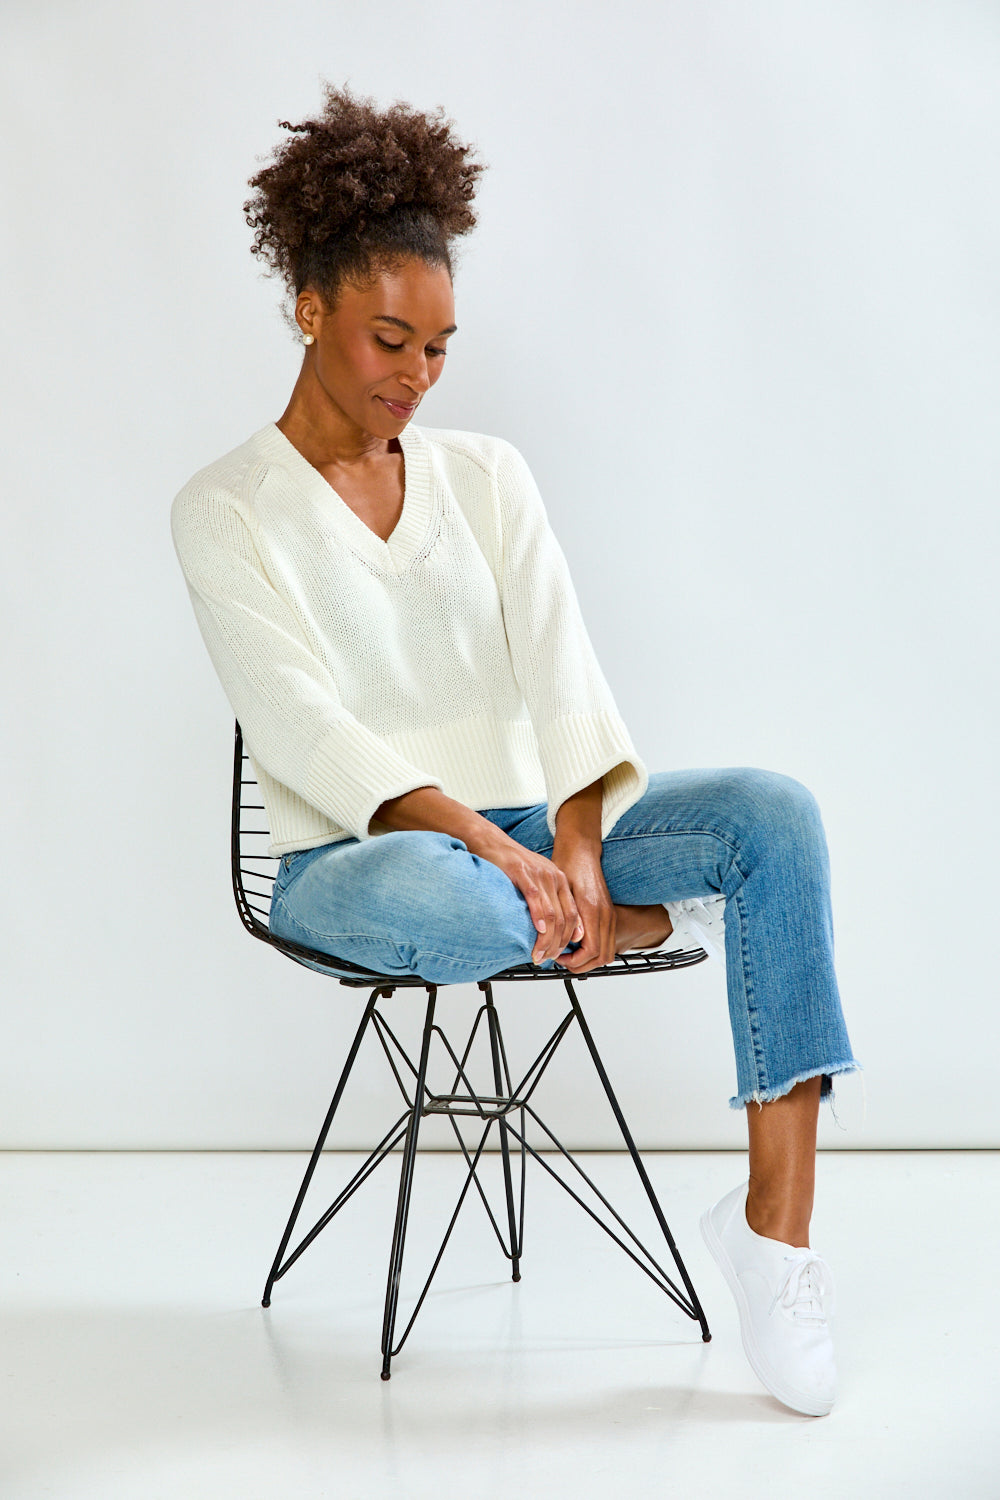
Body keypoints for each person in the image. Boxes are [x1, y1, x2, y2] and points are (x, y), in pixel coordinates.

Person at [171, 83, 859, 1417]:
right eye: (388, 340)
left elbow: (562, 675)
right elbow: (306, 725)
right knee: (465, 900)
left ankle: (776, 1240)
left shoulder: (487, 476)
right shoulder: (224, 509)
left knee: (776, 819)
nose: (417, 378)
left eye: (437, 347)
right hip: (355, 859)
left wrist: (580, 854)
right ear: (308, 310)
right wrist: (497, 847)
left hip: (535, 839)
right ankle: (611, 913)